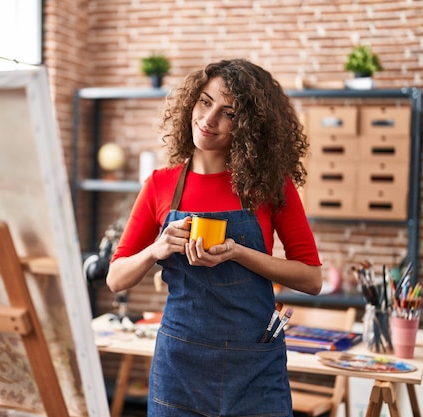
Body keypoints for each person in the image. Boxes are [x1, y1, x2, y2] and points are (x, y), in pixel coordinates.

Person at [106, 58, 322, 417]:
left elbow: (311, 278)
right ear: (192, 101)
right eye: (205, 102)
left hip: (253, 367)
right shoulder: (160, 184)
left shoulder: (269, 186)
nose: (209, 120)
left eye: (230, 113)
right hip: (180, 367)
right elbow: (115, 278)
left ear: (251, 128)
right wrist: (156, 249)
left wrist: (238, 253)